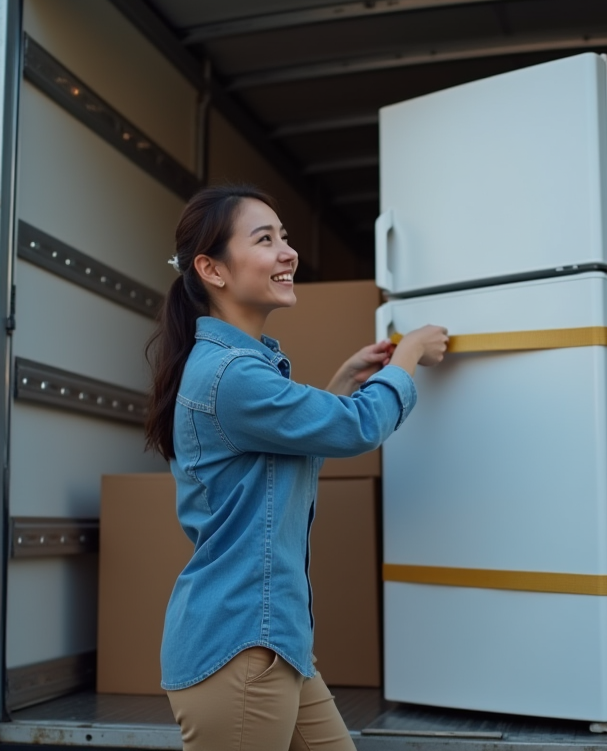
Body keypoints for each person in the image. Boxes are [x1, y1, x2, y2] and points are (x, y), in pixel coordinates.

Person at [144, 184, 448, 750]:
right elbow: (356, 428)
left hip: (274, 641)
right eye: (265, 239)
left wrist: (346, 380)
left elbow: (288, 452)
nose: (288, 252)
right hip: (240, 648)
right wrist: (406, 358)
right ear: (212, 268)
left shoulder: (235, 369)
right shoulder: (231, 375)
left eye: (285, 236)